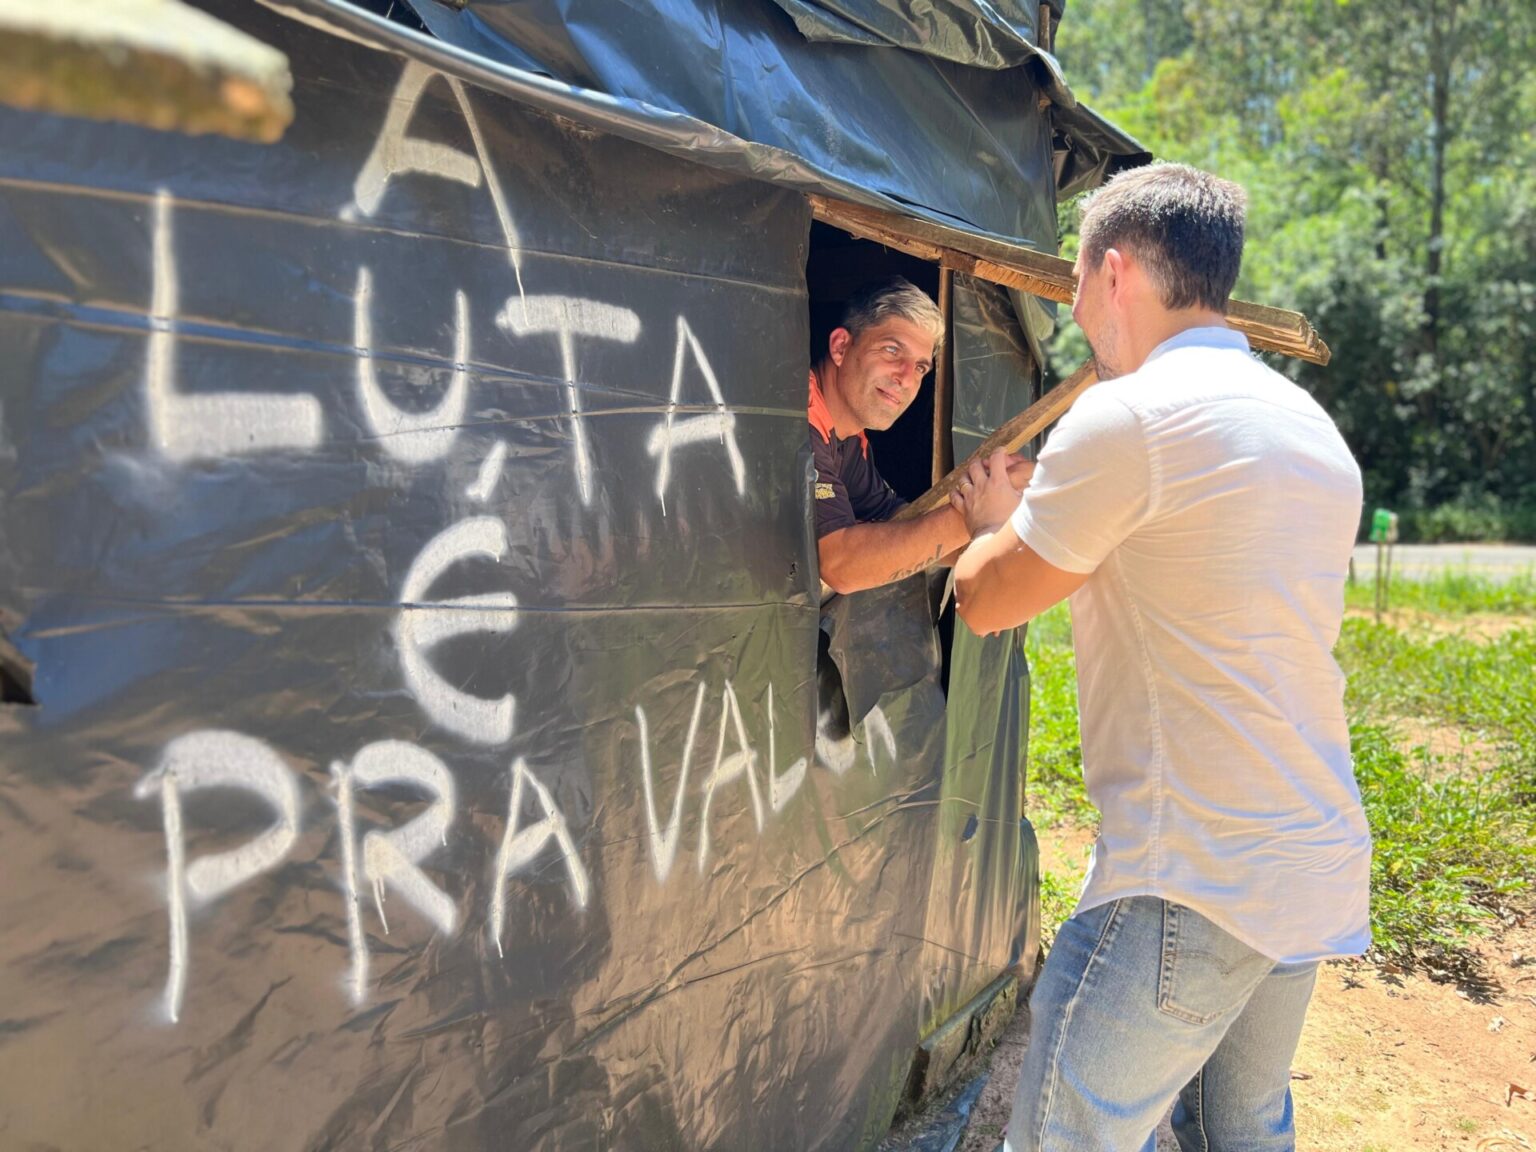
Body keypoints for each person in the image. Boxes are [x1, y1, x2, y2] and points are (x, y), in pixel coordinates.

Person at [949, 163, 1370, 1152]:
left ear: (1114, 269)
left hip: (1197, 873)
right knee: (1243, 1128)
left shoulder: (1130, 416)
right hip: (1308, 857)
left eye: (1077, 279)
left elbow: (985, 602)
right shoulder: (1309, 429)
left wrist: (990, 522)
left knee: (1066, 1134)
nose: (1075, 305)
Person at [809, 277, 970, 594]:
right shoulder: (797, 416)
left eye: (921, 367)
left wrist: (999, 540)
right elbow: (840, 564)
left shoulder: (851, 438)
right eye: (892, 350)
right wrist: (973, 516)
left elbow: (893, 516)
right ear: (841, 346)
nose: (907, 378)